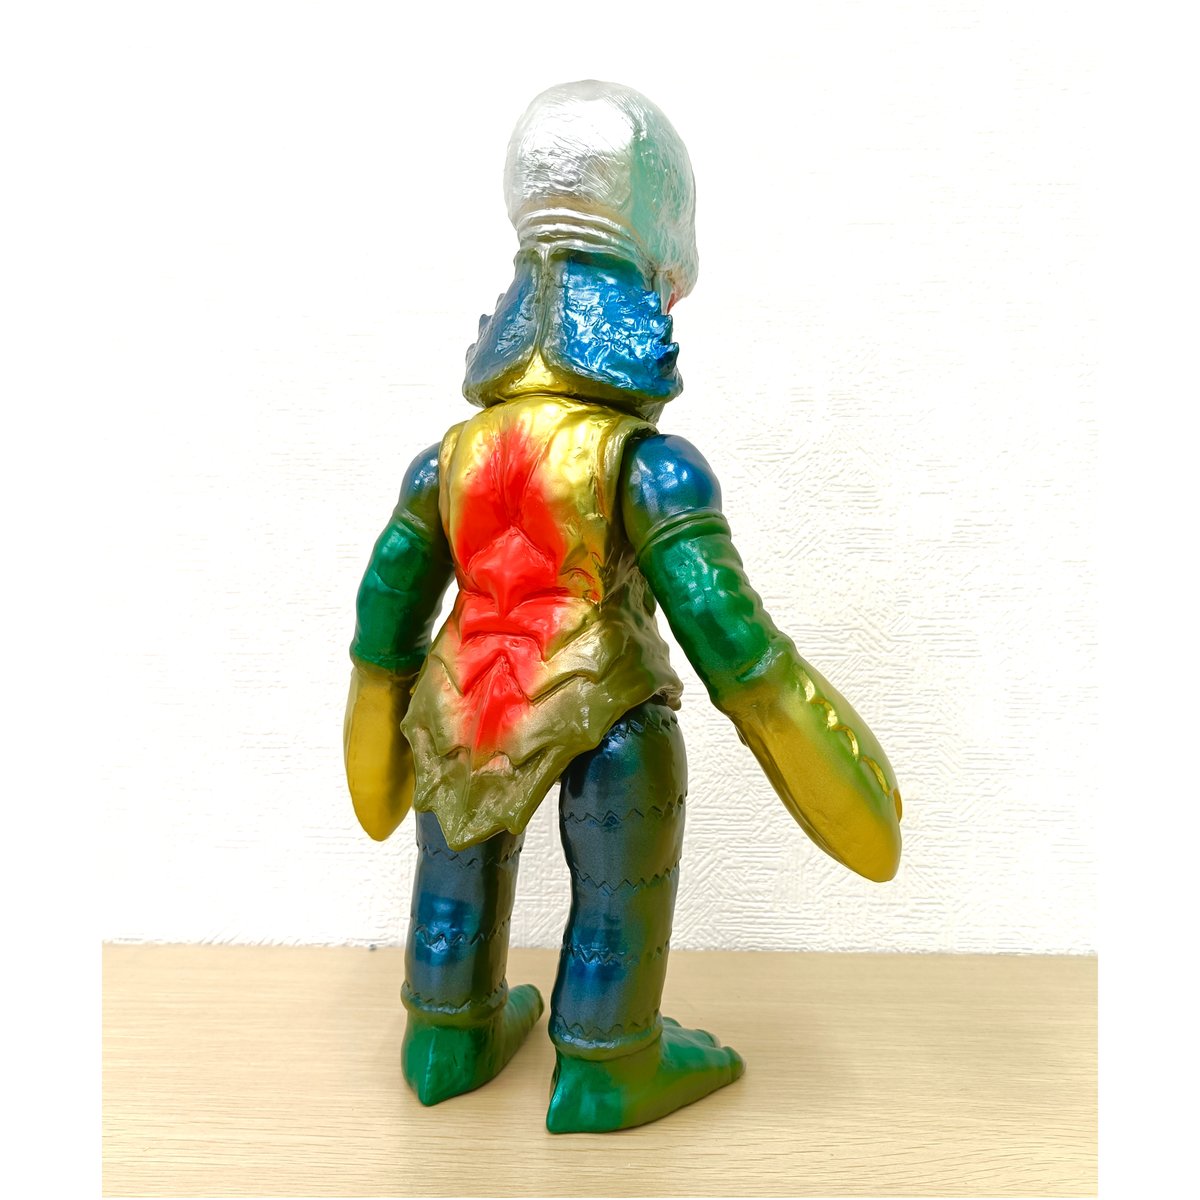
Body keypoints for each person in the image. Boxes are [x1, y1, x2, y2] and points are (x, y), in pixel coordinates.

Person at [344, 80, 902, 1133]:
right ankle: (608, 1065)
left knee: (454, 856)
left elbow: (386, 618)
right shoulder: (651, 467)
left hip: (458, 712)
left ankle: (444, 1037)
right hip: (611, 719)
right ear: (656, 286)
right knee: (620, 881)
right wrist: (843, 776)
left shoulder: (445, 462)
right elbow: (737, 649)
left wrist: (379, 709)